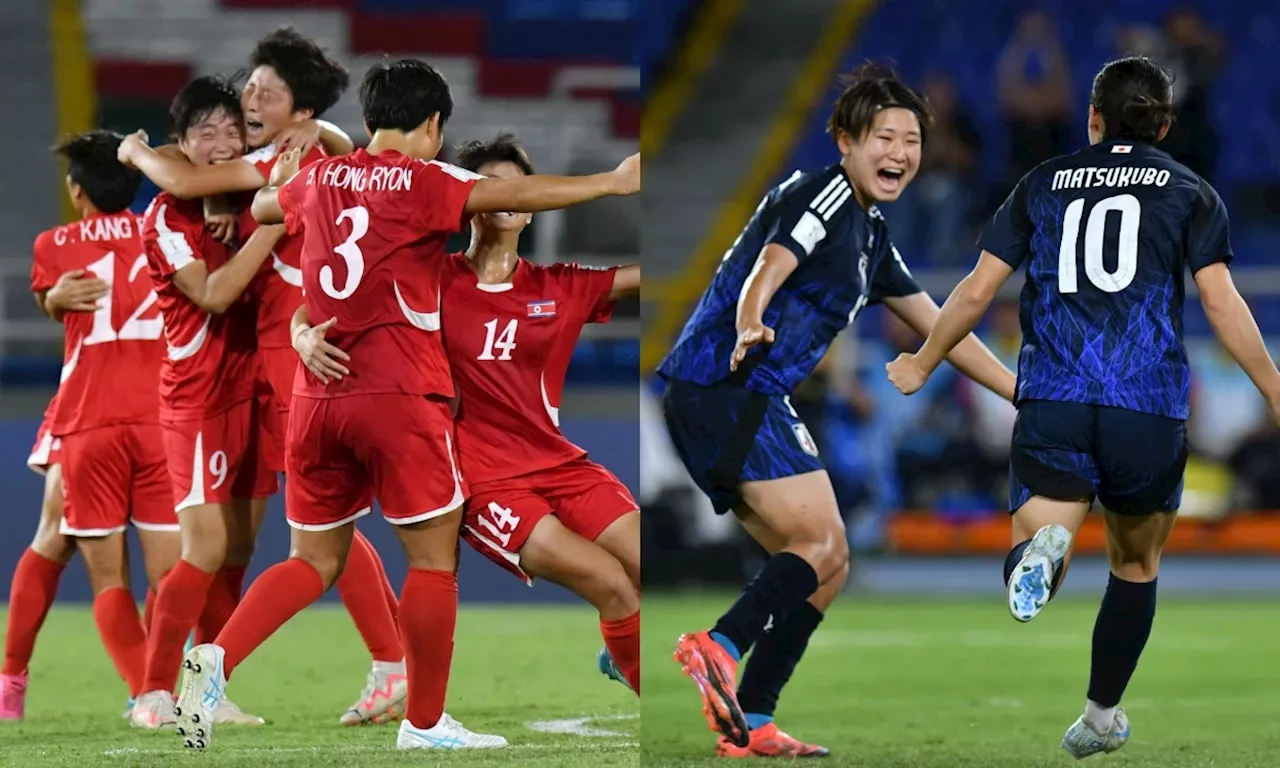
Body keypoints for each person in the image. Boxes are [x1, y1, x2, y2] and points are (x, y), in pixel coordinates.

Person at [170, 58, 640, 753]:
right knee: (430, 563)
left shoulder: (322, 179)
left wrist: (299, 318)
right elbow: (516, 195)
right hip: (398, 396)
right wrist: (611, 181)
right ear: (432, 126)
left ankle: (210, 663)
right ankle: (423, 724)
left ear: (367, 122)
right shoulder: (426, 179)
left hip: (317, 396)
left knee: (312, 560)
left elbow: (269, 206)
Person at [884, 56, 1280, 759]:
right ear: (1163, 124)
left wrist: (922, 359)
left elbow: (977, 291)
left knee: (1037, 541)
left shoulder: (1042, 183)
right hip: (1146, 405)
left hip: (1055, 400)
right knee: (1134, 566)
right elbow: (1222, 301)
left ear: (1092, 119)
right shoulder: (1190, 191)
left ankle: (1045, 549)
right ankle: (1100, 718)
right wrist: (1276, 391)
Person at [656, 62, 1015, 757]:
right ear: (846, 141)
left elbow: (941, 329)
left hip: (746, 395)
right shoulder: (823, 194)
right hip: (727, 384)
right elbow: (770, 263)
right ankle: (717, 646)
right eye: (885, 136)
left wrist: (1022, 395)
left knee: (831, 562)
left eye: (912, 140)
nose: (901, 154)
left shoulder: (871, 235)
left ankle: (752, 718)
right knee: (820, 547)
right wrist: (750, 318)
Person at [115, 29, 406, 725]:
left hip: (282, 367)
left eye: (262, 92)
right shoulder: (209, 196)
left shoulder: (283, 158)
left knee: (303, 539)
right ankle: (167, 691)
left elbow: (196, 176)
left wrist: (134, 149)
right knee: (262, 543)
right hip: (215, 391)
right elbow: (205, 251)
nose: (248, 100)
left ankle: (206, 689)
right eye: (246, 88)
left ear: (297, 111)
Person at [295, 134, 643, 694]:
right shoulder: (428, 280)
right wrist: (300, 337)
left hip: (561, 465)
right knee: (613, 585)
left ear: (531, 209)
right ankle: (655, 679)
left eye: (516, 185)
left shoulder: (560, 286)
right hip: (483, 479)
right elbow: (318, 304)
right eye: (491, 184)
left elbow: (645, 276)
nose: (505, 196)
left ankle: (623, 650)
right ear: (469, 204)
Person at [125, 74, 286, 729]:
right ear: (180, 144)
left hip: (256, 389)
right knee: (205, 547)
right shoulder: (165, 216)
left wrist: (247, 208)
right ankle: (153, 692)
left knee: (239, 549)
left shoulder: (241, 194)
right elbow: (215, 294)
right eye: (204, 133)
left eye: (231, 129)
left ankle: (206, 691)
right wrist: (269, 229)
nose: (221, 144)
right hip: (198, 399)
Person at [25, 130, 184, 715]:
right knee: (171, 578)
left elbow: (59, 301)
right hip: (163, 419)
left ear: (76, 190)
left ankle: (145, 694)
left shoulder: (54, 244)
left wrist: (51, 300)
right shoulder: (165, 231)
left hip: (88, 420)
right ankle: (166, 689)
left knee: (106, 576)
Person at [2, 264, 118, 719]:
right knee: (71, 543)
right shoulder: (161, 232)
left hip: (118, 405)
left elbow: (51, 293)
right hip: (109, 406)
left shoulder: (68, 244)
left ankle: (10, 682)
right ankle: (154, 690)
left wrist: (50, 300)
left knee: (56, 539)